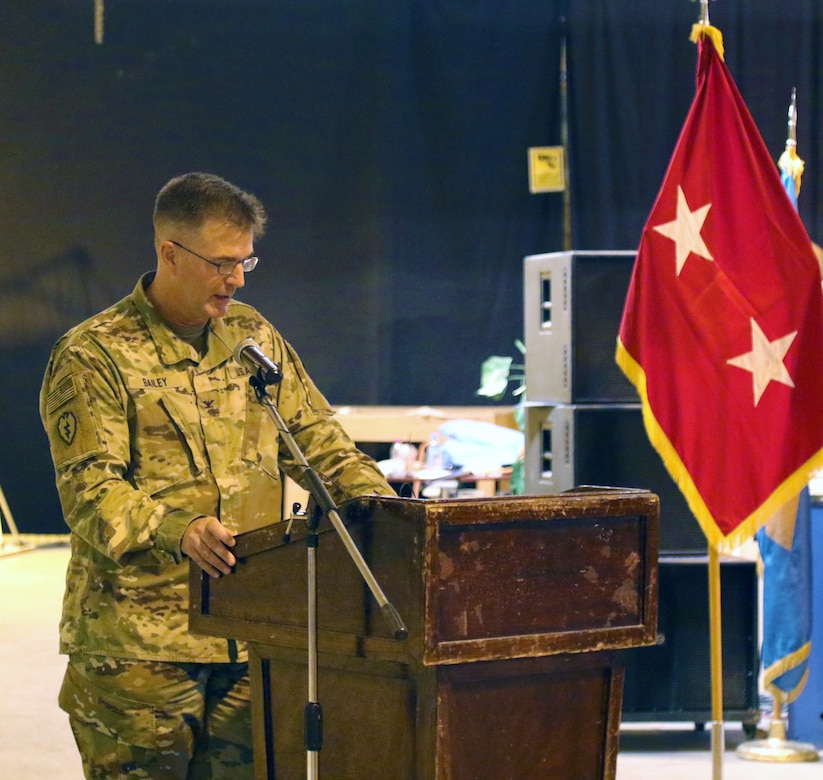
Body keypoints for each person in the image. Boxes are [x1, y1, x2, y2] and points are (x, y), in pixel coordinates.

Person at [39, 172, 396, 779]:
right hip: (139, 650)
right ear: (170, 254)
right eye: (222, 263)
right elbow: (90, 492)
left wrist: (386, 509)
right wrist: (178, 528)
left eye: (246, 262)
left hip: (249, 632)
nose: (236, 279)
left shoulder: (252, 337)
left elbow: (316, 438)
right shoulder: (93, 354)